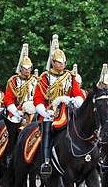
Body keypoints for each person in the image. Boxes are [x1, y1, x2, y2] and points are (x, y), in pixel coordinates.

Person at [33, 35, 85, 176]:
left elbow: (78, 94)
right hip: (50, 112)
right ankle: (46, 161)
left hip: (67, 110)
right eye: (58, 62)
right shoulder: (44, 78)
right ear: (53, 62)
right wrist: (44, 112)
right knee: (47, 128)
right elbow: (37, 99)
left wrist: (74, 100)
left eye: (63, 62)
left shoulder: (70, 76)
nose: (61, 65)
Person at [4, 43, 38, 127]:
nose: (27, 71)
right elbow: (8, 99)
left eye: (29, 68)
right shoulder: (13, 81)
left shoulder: (36, 80)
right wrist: (15, 111)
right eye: (25, 68)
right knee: (14, 122)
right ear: (21, 69)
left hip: (35, 108)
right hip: (18, 109)